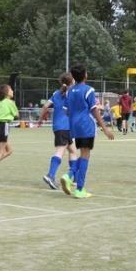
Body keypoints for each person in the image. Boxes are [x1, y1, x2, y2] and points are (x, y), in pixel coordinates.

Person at [60, 64, 114, 198]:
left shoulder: (69, 91)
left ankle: (71, 176)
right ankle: (77, 186)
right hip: (87, 126)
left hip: (75, 127)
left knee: (83, 153)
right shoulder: (89, 90)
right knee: (85, 155)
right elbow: (94, 111)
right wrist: (105, 128)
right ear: (85, 75)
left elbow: (66, 111)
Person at [37, 72, 78, 190]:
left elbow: (45, 107)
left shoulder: (56, 93)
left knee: (73, 151)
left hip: (58, 127)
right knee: (60, 151)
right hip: (65, 127)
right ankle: (50, 175)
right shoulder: (72, 93)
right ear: (72, 82)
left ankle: (73, 177)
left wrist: (40, 120)